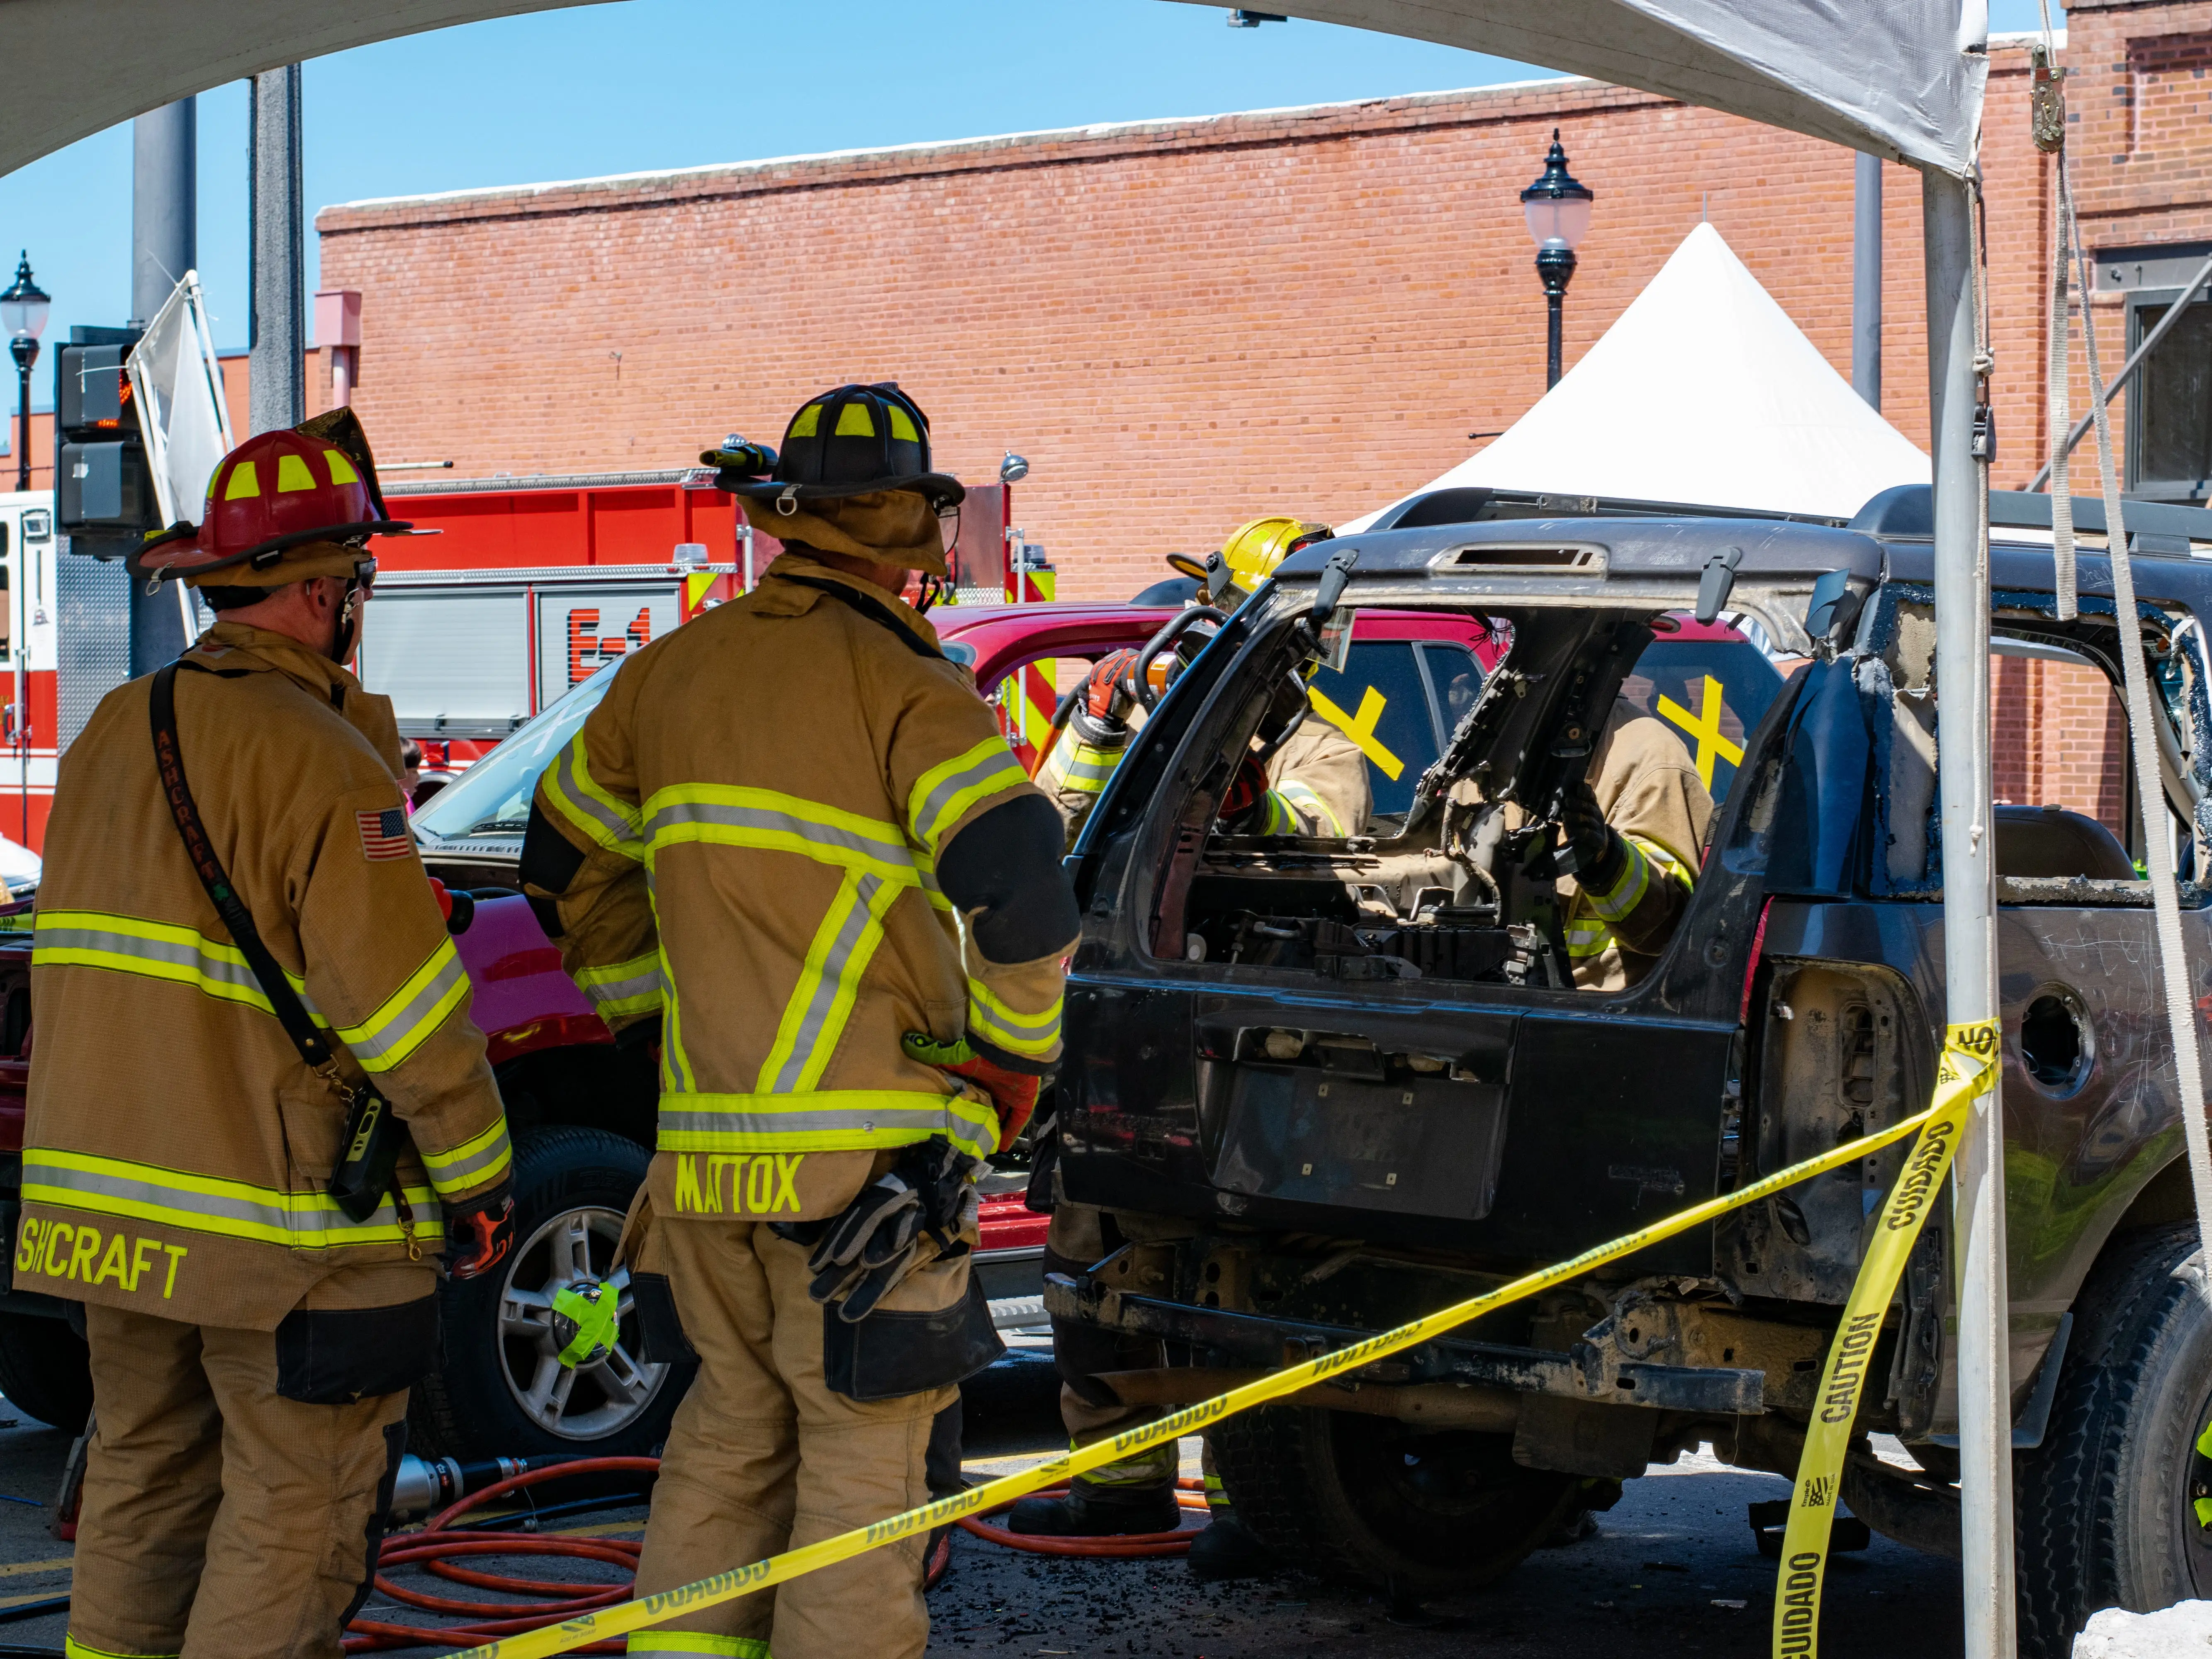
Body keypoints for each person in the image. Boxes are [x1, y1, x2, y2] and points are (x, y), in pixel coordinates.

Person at [522, 382, 1077, 1659]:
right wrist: (1002, 1072)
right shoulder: (907, 690)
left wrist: (658, 1032)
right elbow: (1029, 906)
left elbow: (561, 868)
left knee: (723, 1442)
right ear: (916, 534)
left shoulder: (666, 675)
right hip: (866, 1181)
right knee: (857, 1485)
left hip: (707, 1168)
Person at [19, 412, 515, 1659]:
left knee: (142, 1481)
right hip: (278, 1234)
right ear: (316, 591)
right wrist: (476, 1174)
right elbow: (404, 1011)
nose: (364, 601)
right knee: (298, 1506)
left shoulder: (109, 738)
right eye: (360, 578)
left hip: (115, 1221)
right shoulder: (326, 763)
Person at [1018, 515, 1368, 1583]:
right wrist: (1098, 721)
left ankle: (1248, 1507)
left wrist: (1236, 764)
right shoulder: (1139, 733)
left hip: (1250, 1056)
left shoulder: (1319, 743)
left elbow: (1316, 842)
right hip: (1130, 1044)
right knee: (1092, 1262)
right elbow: (1043, 833)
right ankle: (1118, 1490)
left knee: (1234, 1284)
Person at [1545, 696, 1712, 990]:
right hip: (1496, 1006)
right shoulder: (1502, 744)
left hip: (1596, 1018)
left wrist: (1606, 862)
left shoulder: (1652, 757)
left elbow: (1669, 928)